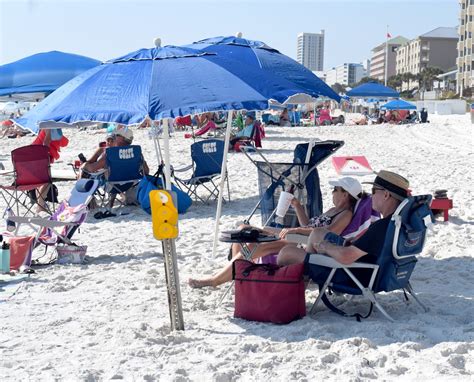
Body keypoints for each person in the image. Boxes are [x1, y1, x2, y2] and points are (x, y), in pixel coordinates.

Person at [188, 177, 363, 288]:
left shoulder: (345, 214)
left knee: (252, 244)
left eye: (336, 189)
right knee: (244, 230)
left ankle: (216, 280)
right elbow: (309, 224)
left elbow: (326, 233)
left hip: (303, 244)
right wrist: (298, 206)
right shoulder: (332, 210)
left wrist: (296, 230)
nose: (332, 192)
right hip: (299, 237)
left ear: (346, 195)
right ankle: (236, 274)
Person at [277, 170, 410, 275]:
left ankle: (299, 285)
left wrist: (326, 246)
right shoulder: (399, 225)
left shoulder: (381, 227)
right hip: (378, 271)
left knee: (286, 252)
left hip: (352, 273)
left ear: (386, 195)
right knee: (317, 233)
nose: (371, 196)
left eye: (374, 191)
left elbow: (346, 256)